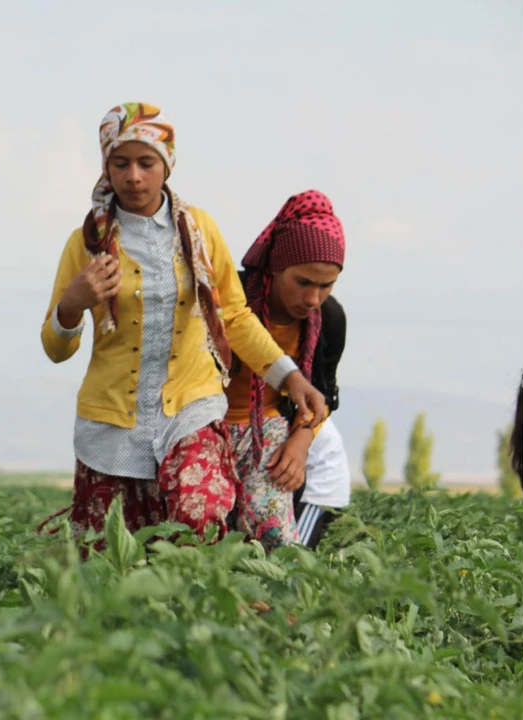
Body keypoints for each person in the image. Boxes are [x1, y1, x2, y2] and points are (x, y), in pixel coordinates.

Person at [36, 102, 327, 545]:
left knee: (202, 521)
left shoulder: (199, 231)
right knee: (108, 557)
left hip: (191, 408)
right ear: (106, 167)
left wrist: (290, 377)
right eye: (121, 163)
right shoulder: (87, 243)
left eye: (146, 162)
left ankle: (209, 612)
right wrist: (73, 304)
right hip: (110, 423)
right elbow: (56, 348)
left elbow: (234, 315)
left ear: (167, 165)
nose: (134, 176)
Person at [223, 190, 347, 552]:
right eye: (303, 282)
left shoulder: (330, 319)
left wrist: (300, 440)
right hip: (210, 429)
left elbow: (322, 396)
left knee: (274, 543)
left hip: (274, 435)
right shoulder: (234, 299)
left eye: (326, 286)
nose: (313, 299)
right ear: (276, 267)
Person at [293, 421, 351, 549]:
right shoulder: (313, 413)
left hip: (319, 494)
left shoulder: (306, 418)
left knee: (296, 550)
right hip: (313, 485)